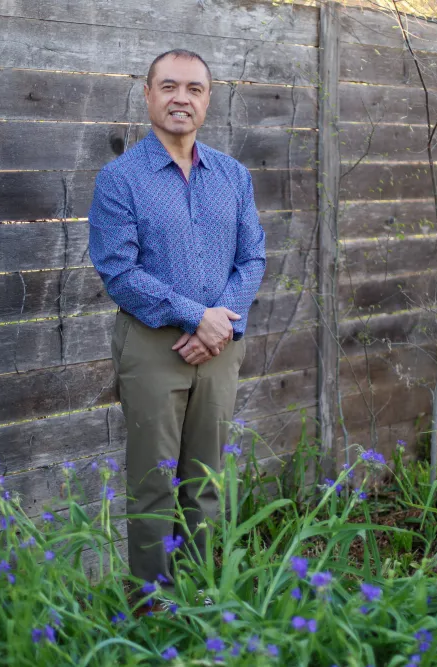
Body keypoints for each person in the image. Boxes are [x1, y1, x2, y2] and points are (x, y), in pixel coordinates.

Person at [88, 49, 266, 607]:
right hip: (152, 346)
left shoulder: (233, 176)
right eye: (168, 87)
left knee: (205, 481)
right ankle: (154, 607)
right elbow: (117, 270)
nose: (180, 98)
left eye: (193, 89)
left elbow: (253, 258)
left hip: (220, 345)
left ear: (208, 100)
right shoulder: (120, 179)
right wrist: (196, 317)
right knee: (154, 483)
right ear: (148, 96)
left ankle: (200, 594)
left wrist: (219, 324)